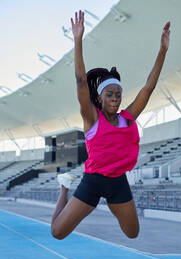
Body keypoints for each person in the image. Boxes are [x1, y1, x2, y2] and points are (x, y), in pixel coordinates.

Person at [51, 10, 170, 240]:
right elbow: (80, 81)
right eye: (109, 95)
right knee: (57, 233)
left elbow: (148, 87)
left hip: (117, 182)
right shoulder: (92, 118)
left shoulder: (127, 118)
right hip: (93, 181)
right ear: (100, 97)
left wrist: (162, 51)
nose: (115, 98)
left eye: (118, 94)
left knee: (133, 233)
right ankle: (65, 187)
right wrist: (77, 41)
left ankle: (111, 204)